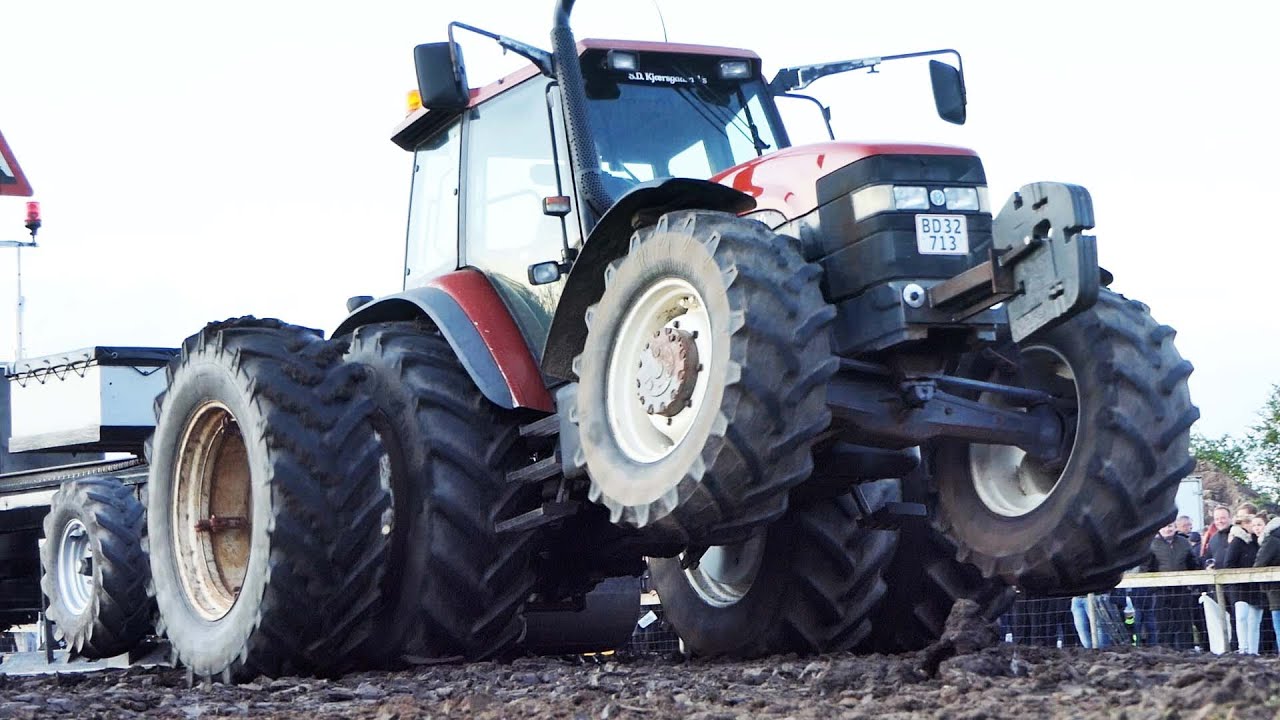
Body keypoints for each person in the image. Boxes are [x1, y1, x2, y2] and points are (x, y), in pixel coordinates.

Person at [1142, 522, 1200, 649]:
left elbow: (1192, 563)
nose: (1168, 529)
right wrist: (1154, 588)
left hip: (1182, 590)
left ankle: (1186, 651)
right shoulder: (1151, 545)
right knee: (1163, 625)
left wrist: (1192, 583)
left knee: (1184, 625)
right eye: (1164, 526)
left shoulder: (1184, 543)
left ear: (1175, 528)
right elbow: (1146, 568)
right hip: (1161, 591)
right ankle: (1165, 653)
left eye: (1170, 526)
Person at [1224, 509, 1264, 654]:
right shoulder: (1237, 541)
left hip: (1255, 585)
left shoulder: (1258, 541)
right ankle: (1243, 648)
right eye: (1247, 522)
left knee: (1255, 621)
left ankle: (1253, 650)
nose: (1250, 525)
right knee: (1241, 617)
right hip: (1239, 586)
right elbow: (1229, 563)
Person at [1253, 513, 1280, 655]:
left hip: (1276, 591)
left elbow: (1259, 564)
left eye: (1258, 525)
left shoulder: (1271, 540)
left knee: (1279, 626)